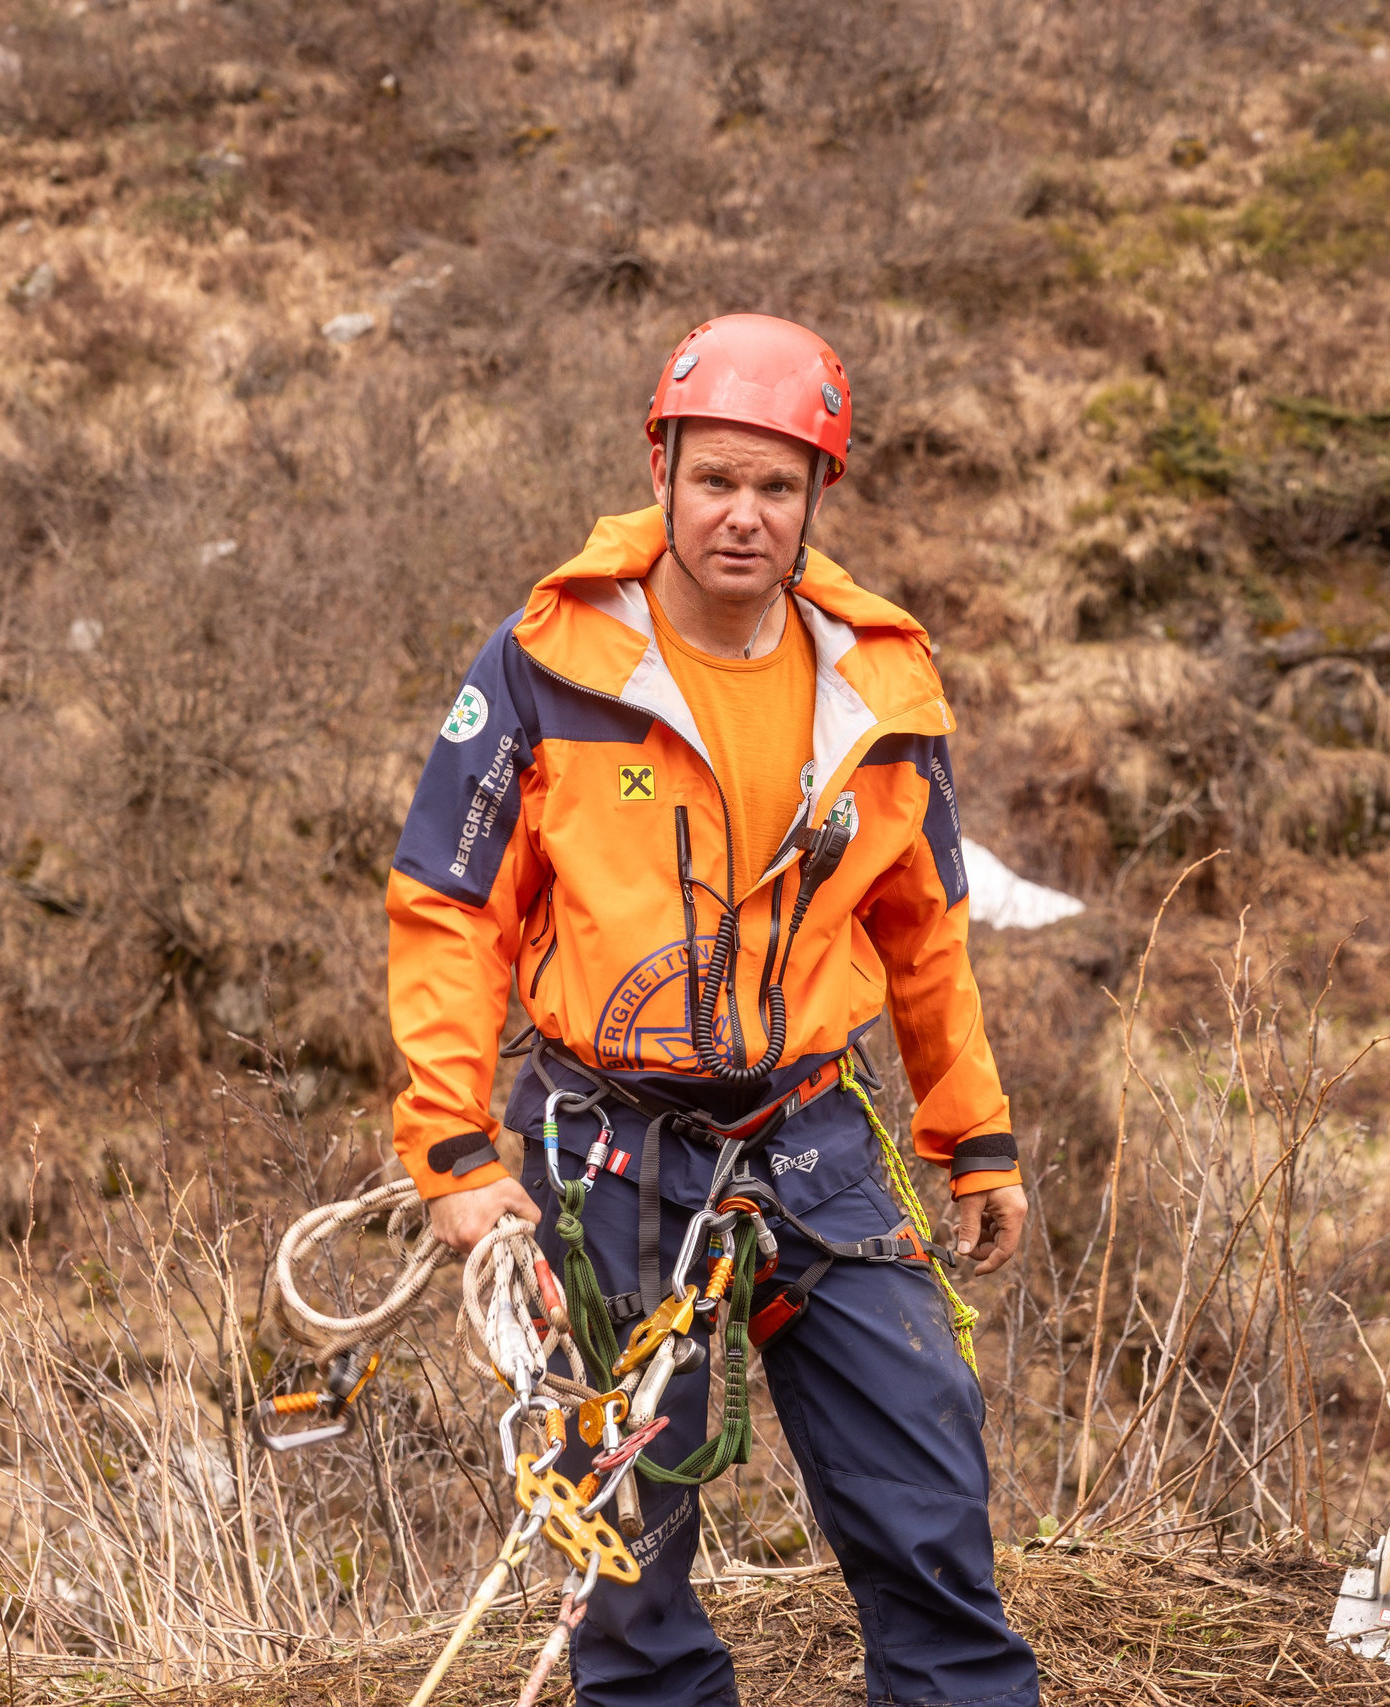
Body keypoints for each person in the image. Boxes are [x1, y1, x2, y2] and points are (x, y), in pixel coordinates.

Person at [385, 314, 1040, 1707]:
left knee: (930, 1504)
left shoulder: (879, 691)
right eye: (716, 480)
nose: (744, 515)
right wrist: (453, 1150)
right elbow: (450, 904)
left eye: (778, 486)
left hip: (813, 1131)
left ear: (819, 496)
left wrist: (972, 1134)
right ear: (662, 472)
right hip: (601, 1146)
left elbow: (923, 927)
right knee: (625, 1556)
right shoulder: (546, 662)